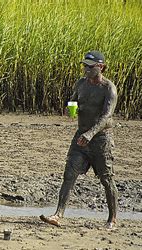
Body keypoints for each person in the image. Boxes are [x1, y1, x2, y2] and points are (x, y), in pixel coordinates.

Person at [40, 51, 118, 229]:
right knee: (69, 175)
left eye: (90, 67)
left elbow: (106, 116)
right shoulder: (81, 84)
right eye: (84, 66)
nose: (86, 69)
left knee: (106, 179)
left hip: (100, 140)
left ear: (101, 67)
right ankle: (58, 214)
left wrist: (90, 134)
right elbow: (73, 101)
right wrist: (70, 108)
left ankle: (112, 219)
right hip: (80, 137)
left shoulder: (108, 89)